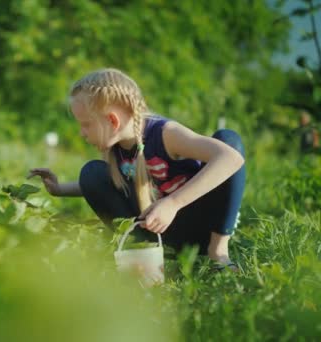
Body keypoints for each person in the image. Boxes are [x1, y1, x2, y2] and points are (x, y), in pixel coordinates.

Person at [28, 68, 245, 270]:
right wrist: (59, 189)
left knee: (228, 141)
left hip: (202, 225)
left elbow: (231, 159)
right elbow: (115, 183)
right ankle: (142, 254)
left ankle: (217, 251)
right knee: (91, 172)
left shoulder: (165, 134)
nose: (82, 133)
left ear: (112, 120)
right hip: (161, 228)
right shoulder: (118, 148)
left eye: (86, 124)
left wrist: (173, 203)